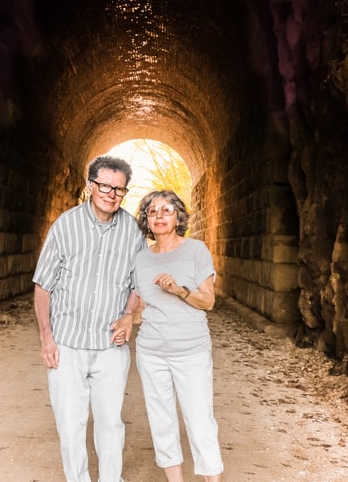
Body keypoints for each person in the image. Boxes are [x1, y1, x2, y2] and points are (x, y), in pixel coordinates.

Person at [33, 155, 146, 482]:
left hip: (111, 346)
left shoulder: (134, 233)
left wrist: (128, 316)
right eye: (104, 186)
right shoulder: (65, 226)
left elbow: (137, 284)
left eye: (119, 189)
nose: (111, 194)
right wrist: (46, 338)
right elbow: (43, 286)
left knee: (111, 423)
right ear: (89, 187)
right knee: (71, 423)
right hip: (67, 345)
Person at [112, 190, 224, 482]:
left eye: (166, 210)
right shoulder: (141, 258)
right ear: (146, 221)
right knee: (162, 421)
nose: (159, 216)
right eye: (152, 211)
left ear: (178, 217)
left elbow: (208, 302)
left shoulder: (196, 250)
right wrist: (127, 316)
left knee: (200, 420)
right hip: (152, 353)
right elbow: (137, 295)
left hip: (192, 351)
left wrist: (179, 290)